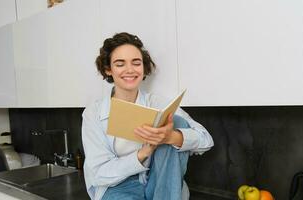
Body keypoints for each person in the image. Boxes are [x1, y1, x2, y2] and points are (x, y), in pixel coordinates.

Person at [82, 32, 214, 200]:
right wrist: (144, 152)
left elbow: (206, 140)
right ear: (108, 70)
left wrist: (170, 137)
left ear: (143, 67)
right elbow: (99, 174)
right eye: (120, 64)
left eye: (136, 63)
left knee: (177, 122)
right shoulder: (93, 113)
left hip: (160, 183)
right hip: (117, 187)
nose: (130, 70)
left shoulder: (157, 103)